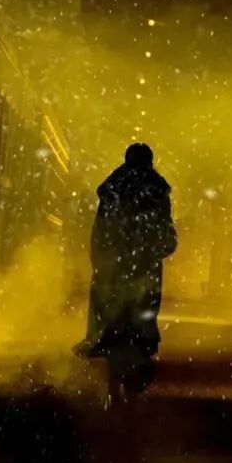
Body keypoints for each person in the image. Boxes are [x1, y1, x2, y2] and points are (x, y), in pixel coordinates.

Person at [75, 143, 177, 404]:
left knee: (111, 324)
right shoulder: (156, 192)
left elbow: (100, 230)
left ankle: (112, 383)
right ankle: (133, 382)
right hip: (145, 269)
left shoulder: (112, 190)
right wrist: (154, 249)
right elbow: (166, 236)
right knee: (139, 324)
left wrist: (101, 260)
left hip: (113, 270)